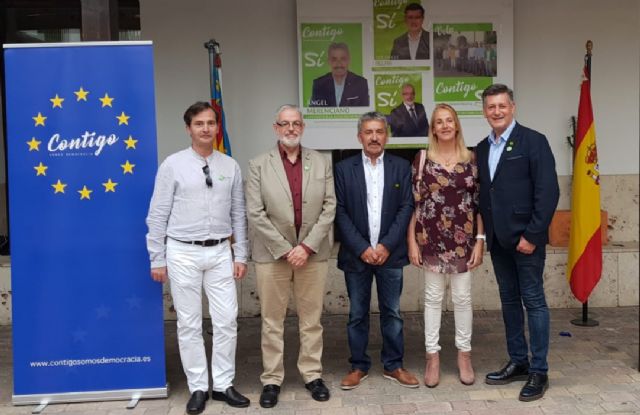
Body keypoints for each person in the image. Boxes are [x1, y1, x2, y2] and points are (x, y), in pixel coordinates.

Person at [146, 101, 250, 413]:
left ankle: (222, 384)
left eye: (210, 123)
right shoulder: (172, 165)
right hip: (182, 251)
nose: (206, 129)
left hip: (220, 251)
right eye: (199, 124)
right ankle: (198, 387)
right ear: (189, 128)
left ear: (218, 127)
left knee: (226, 320)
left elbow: (239, 214)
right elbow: (157, 215)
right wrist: (157, 257)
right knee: (189, 323)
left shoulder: (229, 166)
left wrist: (241, 253)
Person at [246, 105, 336, 408]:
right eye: (284, 124)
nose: (291, 129)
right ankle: (272, 379)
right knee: (272, 320)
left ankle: (312, 374)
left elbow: (329, 207)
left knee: (311, 320)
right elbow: (255, 213)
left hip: (312, 253)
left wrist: (306, 247)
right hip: (273, 256)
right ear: (275, 128)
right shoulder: (258, 164)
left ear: (303, 127)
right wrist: (286, 249)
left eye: (296, 123)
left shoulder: (321, 162)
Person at [476, 84, 559, 402]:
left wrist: (533, 235)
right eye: (491, 107)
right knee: (509, 303)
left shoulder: (534, 141)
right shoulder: (482, 148)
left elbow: (548, 191)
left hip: (526, 240)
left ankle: (539, 371)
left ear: (513, 107)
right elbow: (486, 194)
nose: (496, 111)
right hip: (499, 241)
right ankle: (519, 361)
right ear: (484, 112)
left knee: (534, 302)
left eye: (502, 106)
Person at [334, 111, 418, 391]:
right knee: (357, 313)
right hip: (356, 256)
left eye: (379, 131)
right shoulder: (343, 169)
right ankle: (358, 366)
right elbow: (340, 212)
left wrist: (385, 246)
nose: (373, 137)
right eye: (368, 132)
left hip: (390, 255)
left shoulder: (400, 166)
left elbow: (407, 207)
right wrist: (362, 248)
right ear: (359, 136)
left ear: (386, 136)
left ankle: (394, 365)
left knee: (392, 312)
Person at [406, 104, 485, 388]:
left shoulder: (472, 159)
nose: (445, 125)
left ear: (457, 125)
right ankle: (433, 357)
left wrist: (480, 240)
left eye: (449, 120)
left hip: (463, 240)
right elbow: (414, 204)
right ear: (433, 128)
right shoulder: (422, 159)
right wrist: (411, 241)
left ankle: (464, 355)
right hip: (430, 239)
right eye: (439, 122)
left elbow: (478, 206)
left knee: (462, 298)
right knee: (433, 298)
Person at [310, 42, 369, 107]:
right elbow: (314, 110)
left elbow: (365, 111)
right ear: (329, 61)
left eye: (343, 59)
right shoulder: (319, 84)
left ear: (348, 60)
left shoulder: (361, 83)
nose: (339, 64)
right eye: (334, 59)